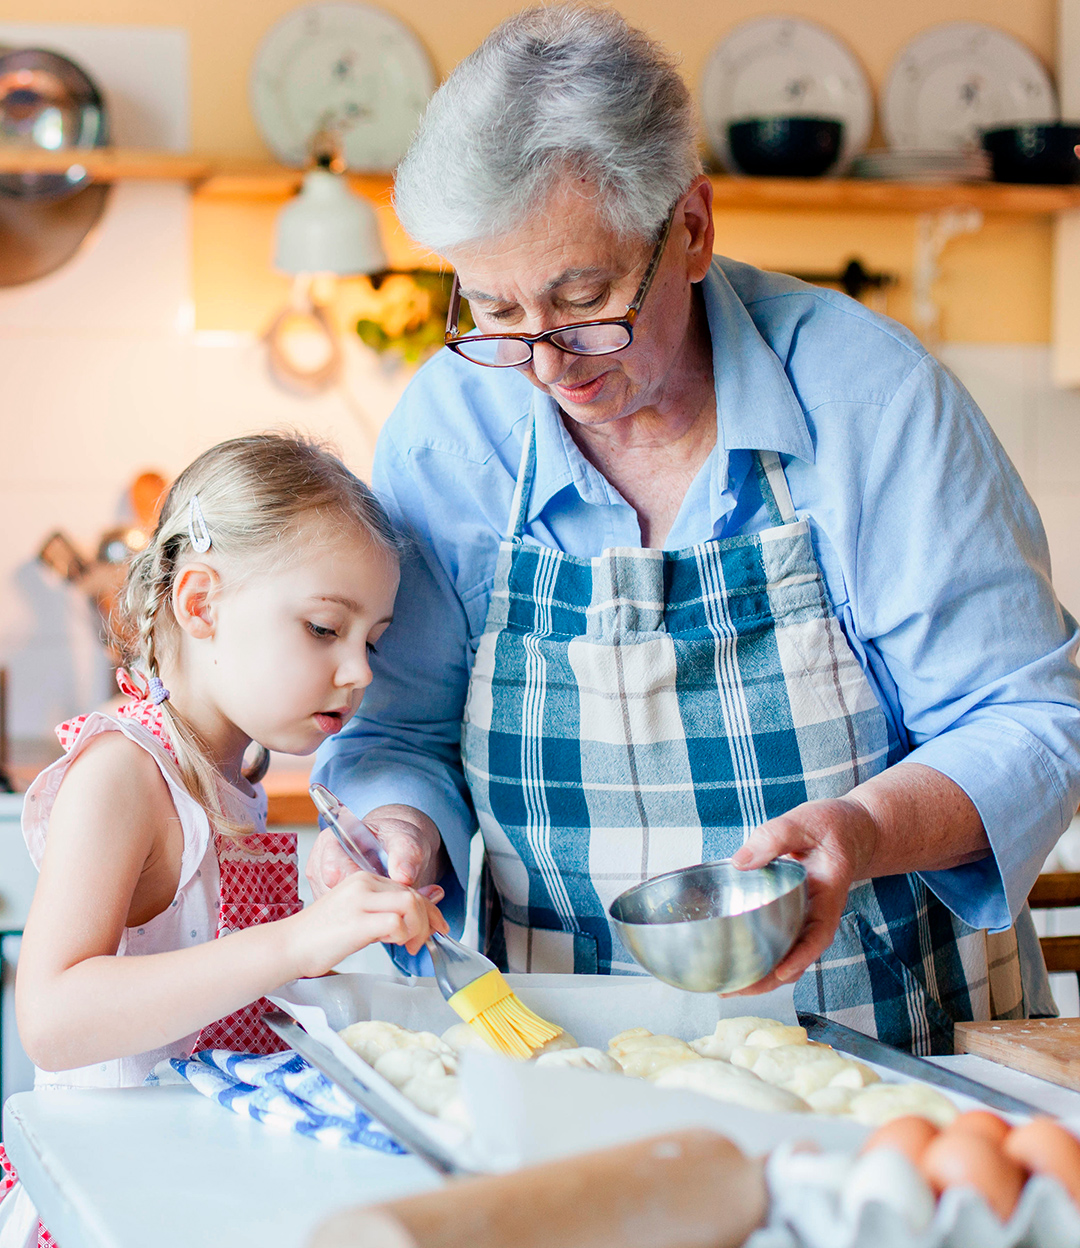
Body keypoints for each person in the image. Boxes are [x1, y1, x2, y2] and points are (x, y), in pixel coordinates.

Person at [309, 5, 1080, 1055]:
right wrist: (396, 832)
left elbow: (1030, 720)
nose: (547, 365)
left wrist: (863, 830)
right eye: (495, 312)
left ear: (693, 228)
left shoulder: (874, 401)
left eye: (584, 300)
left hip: (890, 1046)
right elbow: (398, 735)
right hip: (566, 1054)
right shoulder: (452, 432)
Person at [0, 434, 447, 1248]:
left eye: (372, 640)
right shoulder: (124, 773)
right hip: (109, 1201)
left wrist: (336, 940)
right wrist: (296, 940)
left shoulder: (230, 774)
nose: (360, 671)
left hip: (198, 1188)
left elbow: (214, 992)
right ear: (201, 604)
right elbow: (52, 1019)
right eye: (324, 628)